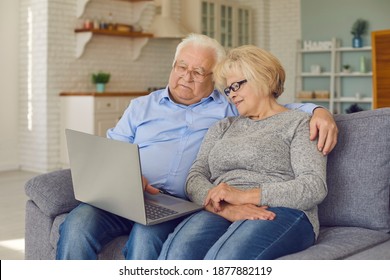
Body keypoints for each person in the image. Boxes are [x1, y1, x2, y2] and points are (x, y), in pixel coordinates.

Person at [56, 34, 337, 260]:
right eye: (181, 67)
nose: (186, 77)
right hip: (130, 194)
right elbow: (116, 154)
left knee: (148, 238)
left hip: (176, 204)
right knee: (78, 225)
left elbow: (275, 109)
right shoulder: (145, 107)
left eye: (198, 72)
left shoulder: (229, 108)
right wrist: (123, 178)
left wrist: (320, 111)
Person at [157, 45, 327, 260]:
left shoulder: (299, 123)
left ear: (263, 78)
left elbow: (314, 186)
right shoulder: (222, 126)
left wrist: (244, 196)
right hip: (222, 209)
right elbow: (195, 176)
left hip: (284, 209)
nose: (231, 95)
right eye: (228, 90)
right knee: (178, 253)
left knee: (226, 259)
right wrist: (225, 206)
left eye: (236, 86)